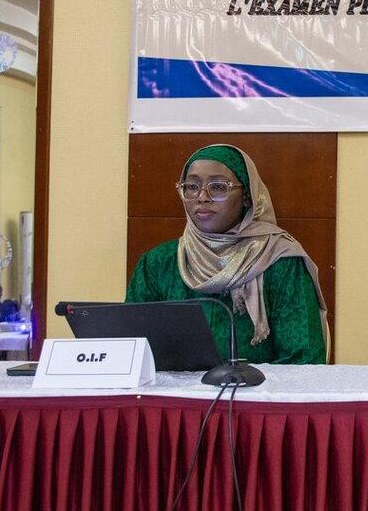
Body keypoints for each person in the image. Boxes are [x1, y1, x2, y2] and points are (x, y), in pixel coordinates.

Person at [126, 144, 328, 364]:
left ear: (247, 196)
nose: (202, 197)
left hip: (257, 385)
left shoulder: (280, 260)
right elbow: (130, 350)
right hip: (173, 386)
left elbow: (303, 358)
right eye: (191, 186)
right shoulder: (158, 263)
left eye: (218, 187)